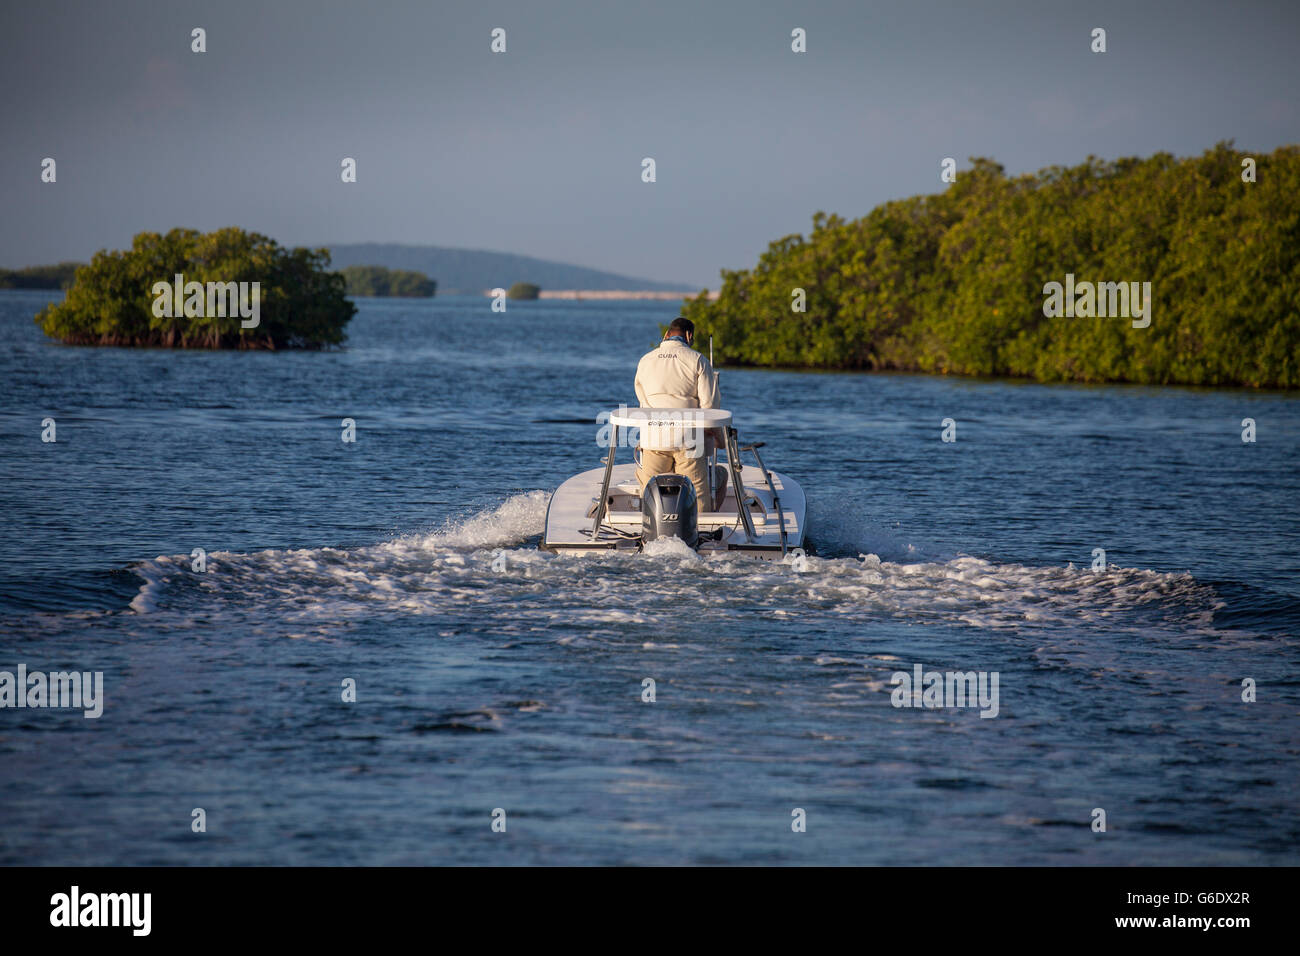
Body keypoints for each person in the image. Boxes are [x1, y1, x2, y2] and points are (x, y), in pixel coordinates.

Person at [633, 317, 726, 509]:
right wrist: (718, 437)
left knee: (651, 494)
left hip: (654, 439)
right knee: (697, 497)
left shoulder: (645, 360)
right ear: (689, 336)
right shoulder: (698, 359)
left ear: (666, 335)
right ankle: (703, 531)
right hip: (688, 440)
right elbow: (710, 406)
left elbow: (643, 400)